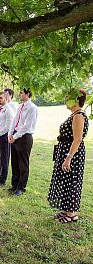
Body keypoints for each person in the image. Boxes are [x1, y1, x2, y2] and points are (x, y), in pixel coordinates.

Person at [48, 89, 88, 223]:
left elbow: (77, 139)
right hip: (66, 151)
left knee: (72, 181)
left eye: (67, 97)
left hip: (73, 154)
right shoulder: (75, 114)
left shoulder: (78, 116)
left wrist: (68, 158)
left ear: (76, 100)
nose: (65, 100)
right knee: (66, 180)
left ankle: (72, 214)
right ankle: (66, 210)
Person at [8, 88, 38, 196]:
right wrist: (10, 134)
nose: (19, 94)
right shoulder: (19, 106)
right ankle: (14, 185)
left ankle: (21, 187)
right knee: (14, 162)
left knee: (23, 163)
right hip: (15, 135)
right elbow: (14, 120)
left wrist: (15, 136)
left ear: (27, 94)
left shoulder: (32, 108)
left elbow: (27, 126)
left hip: (24, 137)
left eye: (21, 93)